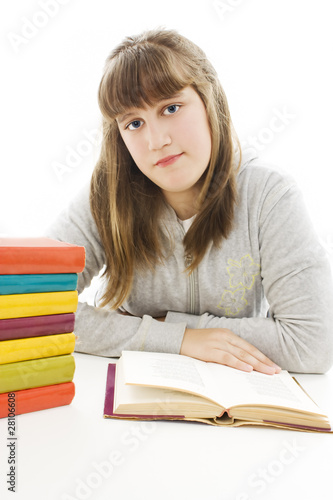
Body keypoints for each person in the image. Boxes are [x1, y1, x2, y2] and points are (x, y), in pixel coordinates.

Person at [47, 28, 333, 374]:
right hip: (135, 397)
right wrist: (179, 341)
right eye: (134, 122)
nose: (156, 140)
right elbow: (35, 309)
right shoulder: (107, 198)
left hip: (238, 408)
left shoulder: (270, 197)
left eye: (171, 108)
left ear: (209, 101)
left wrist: (178, 325)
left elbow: (313, 343)